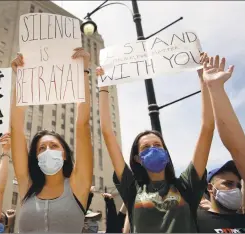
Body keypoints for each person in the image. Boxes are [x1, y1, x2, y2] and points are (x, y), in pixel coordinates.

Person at [96, 52, 214, 232]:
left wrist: (203, 79)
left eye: (157, 145)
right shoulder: (132, 188)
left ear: (166, 152)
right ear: (137, 158)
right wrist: (103, 86)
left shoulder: (186, 185)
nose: (153, 149)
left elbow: (207, 128)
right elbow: (107, 132)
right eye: (146, 147)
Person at [10, 48, 93, 232]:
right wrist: (21, 79)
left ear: (64, 155)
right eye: (41, 148)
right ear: (35, 157)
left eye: (54, 145)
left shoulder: (77, 184)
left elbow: (82, 125)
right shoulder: (27, 185)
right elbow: (16, 126)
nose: (47, 150)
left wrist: (84, 71)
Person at [196, 55, 245, 233]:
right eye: (228, 184)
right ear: (210, 188)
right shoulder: (194, 222)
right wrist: (213, 88)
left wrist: (214, 87)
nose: (236, 190)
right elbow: (238, 149)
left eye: (238, 185)